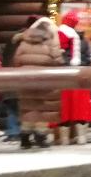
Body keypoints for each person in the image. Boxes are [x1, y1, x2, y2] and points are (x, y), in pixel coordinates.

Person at [11, 17, 64, 149]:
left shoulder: (24, 42)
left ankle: (25, 137)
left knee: (27, 107)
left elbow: (16, 60)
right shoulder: (50, 41)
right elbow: (57, 59)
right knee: (42, 107)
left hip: (25, 79)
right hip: (43, 79)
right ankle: (40, 136)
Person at [56, 10, 91, 145]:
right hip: (80, 77)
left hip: (62, 77)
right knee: (81, 108)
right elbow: (87, 60)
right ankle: (82, 137)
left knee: (64, 108)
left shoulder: (57, 37)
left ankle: (64, 139)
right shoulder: (82, 41)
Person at [0, 16, 34, 142]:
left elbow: (5, 58)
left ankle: (13, 132)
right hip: (28, 77)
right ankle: (26, 132)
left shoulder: (12, 40)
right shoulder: (34, 40)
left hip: (10, 76)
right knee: (27, 107)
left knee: (12, 106)